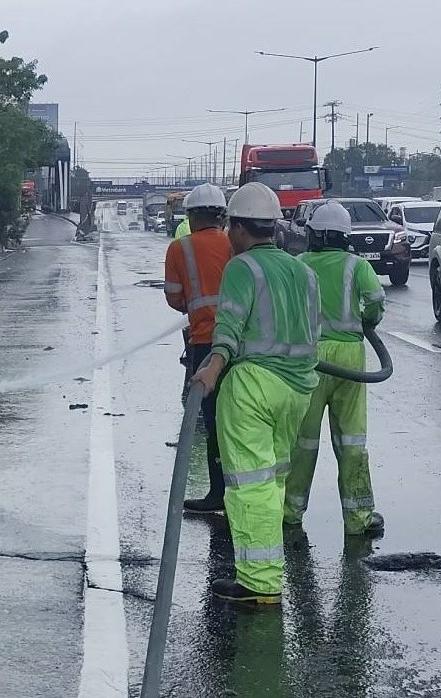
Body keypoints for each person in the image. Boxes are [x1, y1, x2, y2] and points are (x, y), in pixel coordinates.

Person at [192, 182, 320, 605]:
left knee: (249, 484)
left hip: (253, 387)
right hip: (297, 388)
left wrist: (211, 367)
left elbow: (227, 328)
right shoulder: (305, 271)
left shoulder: (242, 267)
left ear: (239, 228)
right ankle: (264, 570)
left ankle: (260, 582)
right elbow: (312, 332)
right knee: (273, 479)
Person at [284, 201, 386, 536]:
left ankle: (290, 512)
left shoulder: (298, 265)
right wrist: (366, 321)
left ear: (318, 234)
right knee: (351, 439)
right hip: (349, 357)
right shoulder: (356, 266)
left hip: (309, 358)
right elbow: (374, 302)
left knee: (303, 441)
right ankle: (358, 518)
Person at [164, 183, 233, 512]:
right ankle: (247, 489)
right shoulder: (236, 243)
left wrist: (196, 306)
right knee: (241, 415)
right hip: (241, 342)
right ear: (222, 216)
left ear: (191, 216)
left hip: (204, 342)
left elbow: (174, 297)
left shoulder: (180, 249)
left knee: (213, 418)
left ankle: (218, 492)